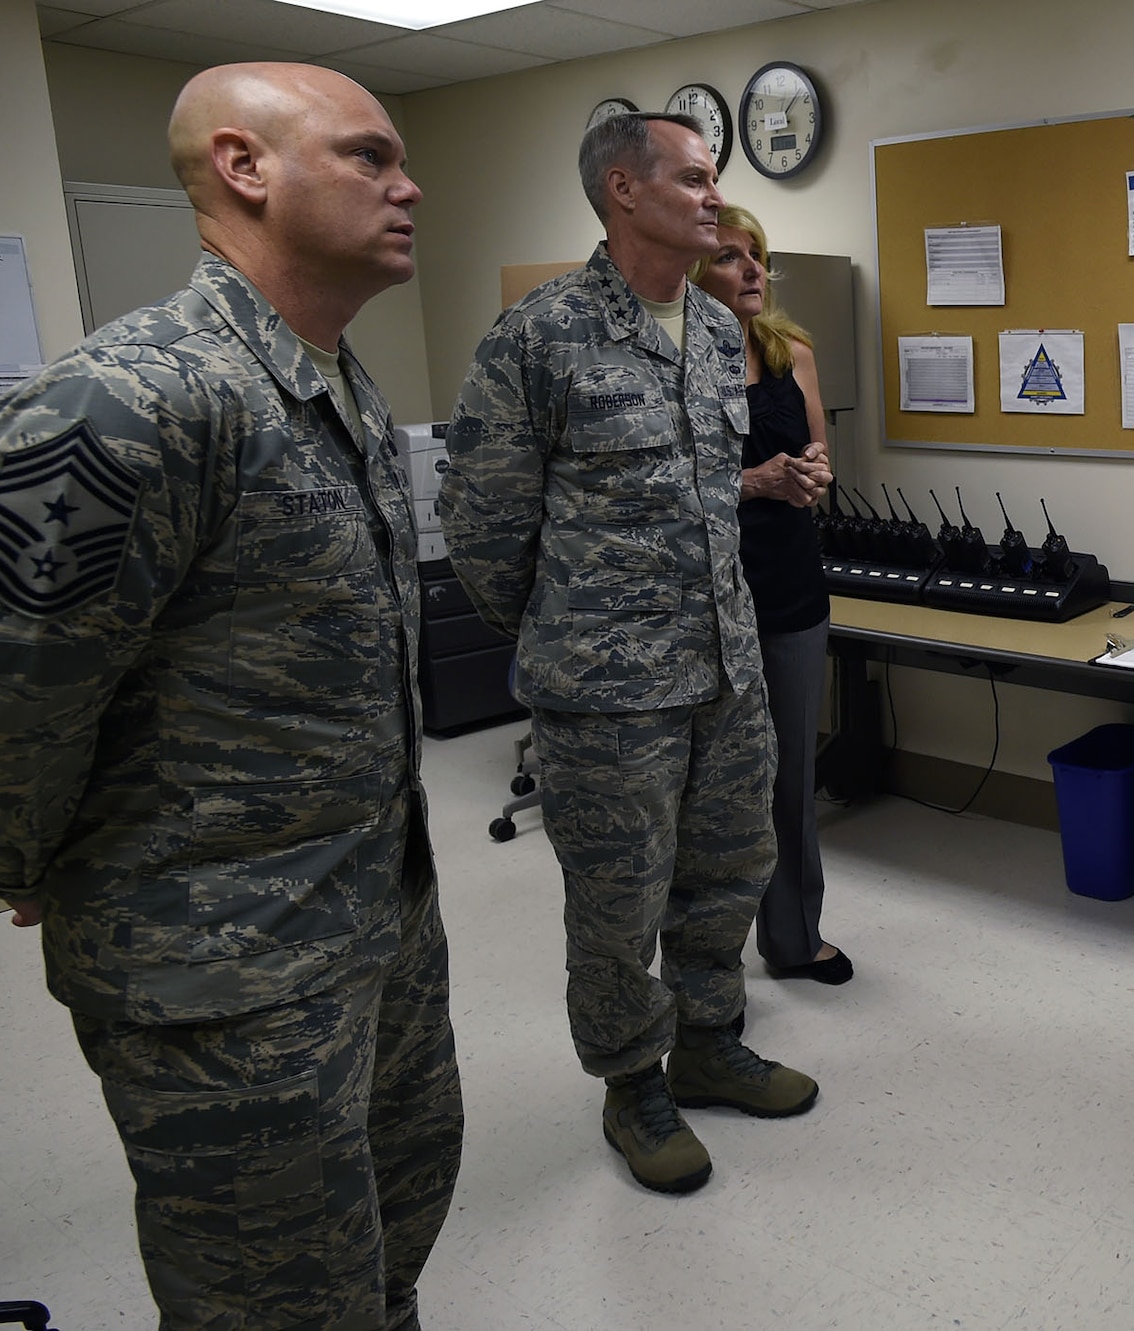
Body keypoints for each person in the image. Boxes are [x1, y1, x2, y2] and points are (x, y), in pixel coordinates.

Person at [0, 63, 462, 1327]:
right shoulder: (127, 401)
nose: (409, 185)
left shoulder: (335, 381)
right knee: (272, 1298)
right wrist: (19, 859)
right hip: (216, 973)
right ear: (244, 167)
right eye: (368, 155)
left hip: (371, 912)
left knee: (389, 1232)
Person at [440, 113, 818, 1197]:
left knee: (726, 871)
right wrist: (571, 635)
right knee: (616, 899)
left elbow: (711, 499)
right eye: (694, 179)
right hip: (606, 690)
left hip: (724, 668)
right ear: (623, 188)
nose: (714, 199)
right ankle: (630, 1082)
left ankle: (706, 1039)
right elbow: (481, 525)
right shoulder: (539, 336)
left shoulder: (710, 330)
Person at [690, 204, 852, 986]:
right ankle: (707, 968)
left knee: (790, 774)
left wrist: (811, 475)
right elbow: (657, 487)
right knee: (717, 784)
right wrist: (753, 480)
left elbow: (819, 457)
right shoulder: (672, 357)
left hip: (790, 586)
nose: (752, 270)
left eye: (756, 254)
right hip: (707, 593)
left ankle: (793, 937)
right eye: (728, 257)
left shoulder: (791, 351)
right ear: (693, 271)